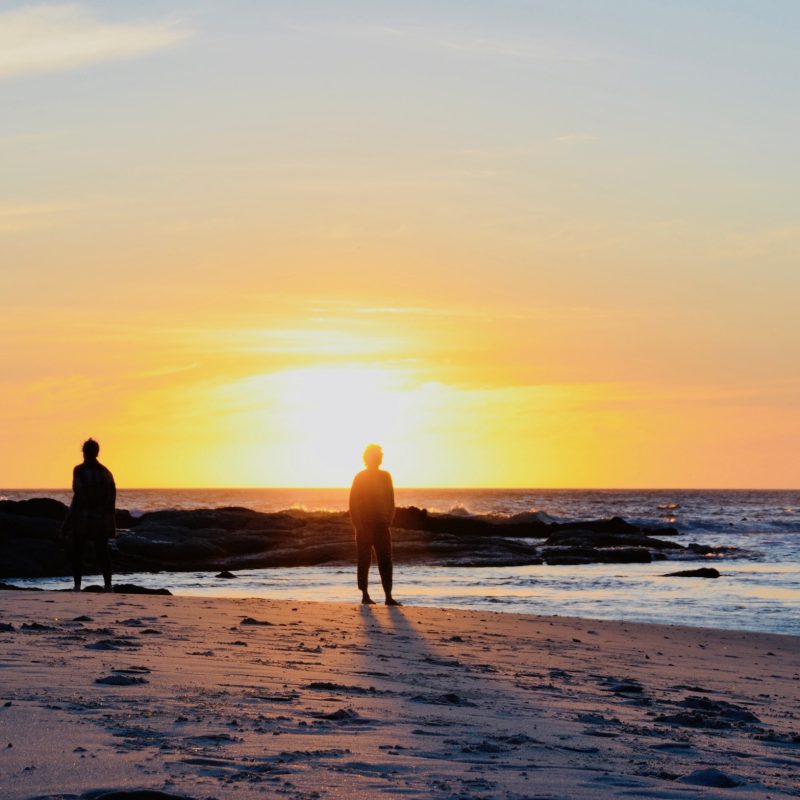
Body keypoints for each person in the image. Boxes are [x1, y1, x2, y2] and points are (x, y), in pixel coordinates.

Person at [61, 438, 116, 592]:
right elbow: (111, 499)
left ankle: (77, 585)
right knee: (102, 553)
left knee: (77, 551)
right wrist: (110, 522)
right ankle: (108, 585)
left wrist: (66, 524)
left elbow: (78, 495)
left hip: (83, 518)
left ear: (83, 452)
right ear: (97, 453)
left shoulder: (79, 470)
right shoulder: (107, 473)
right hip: (101, 520)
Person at [349, 444, 401, 606]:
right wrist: (358, 525)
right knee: (364, 561)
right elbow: (353, 502)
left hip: (382, 525)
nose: (379, 457)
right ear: (368, 458)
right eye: (376, 455)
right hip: (364, 525)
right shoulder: (360, 477)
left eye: (379, 455)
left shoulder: (386, 476)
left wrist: (389, 518)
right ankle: (365, 595)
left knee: (386, 561)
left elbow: (391, 499)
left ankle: (388, 596)